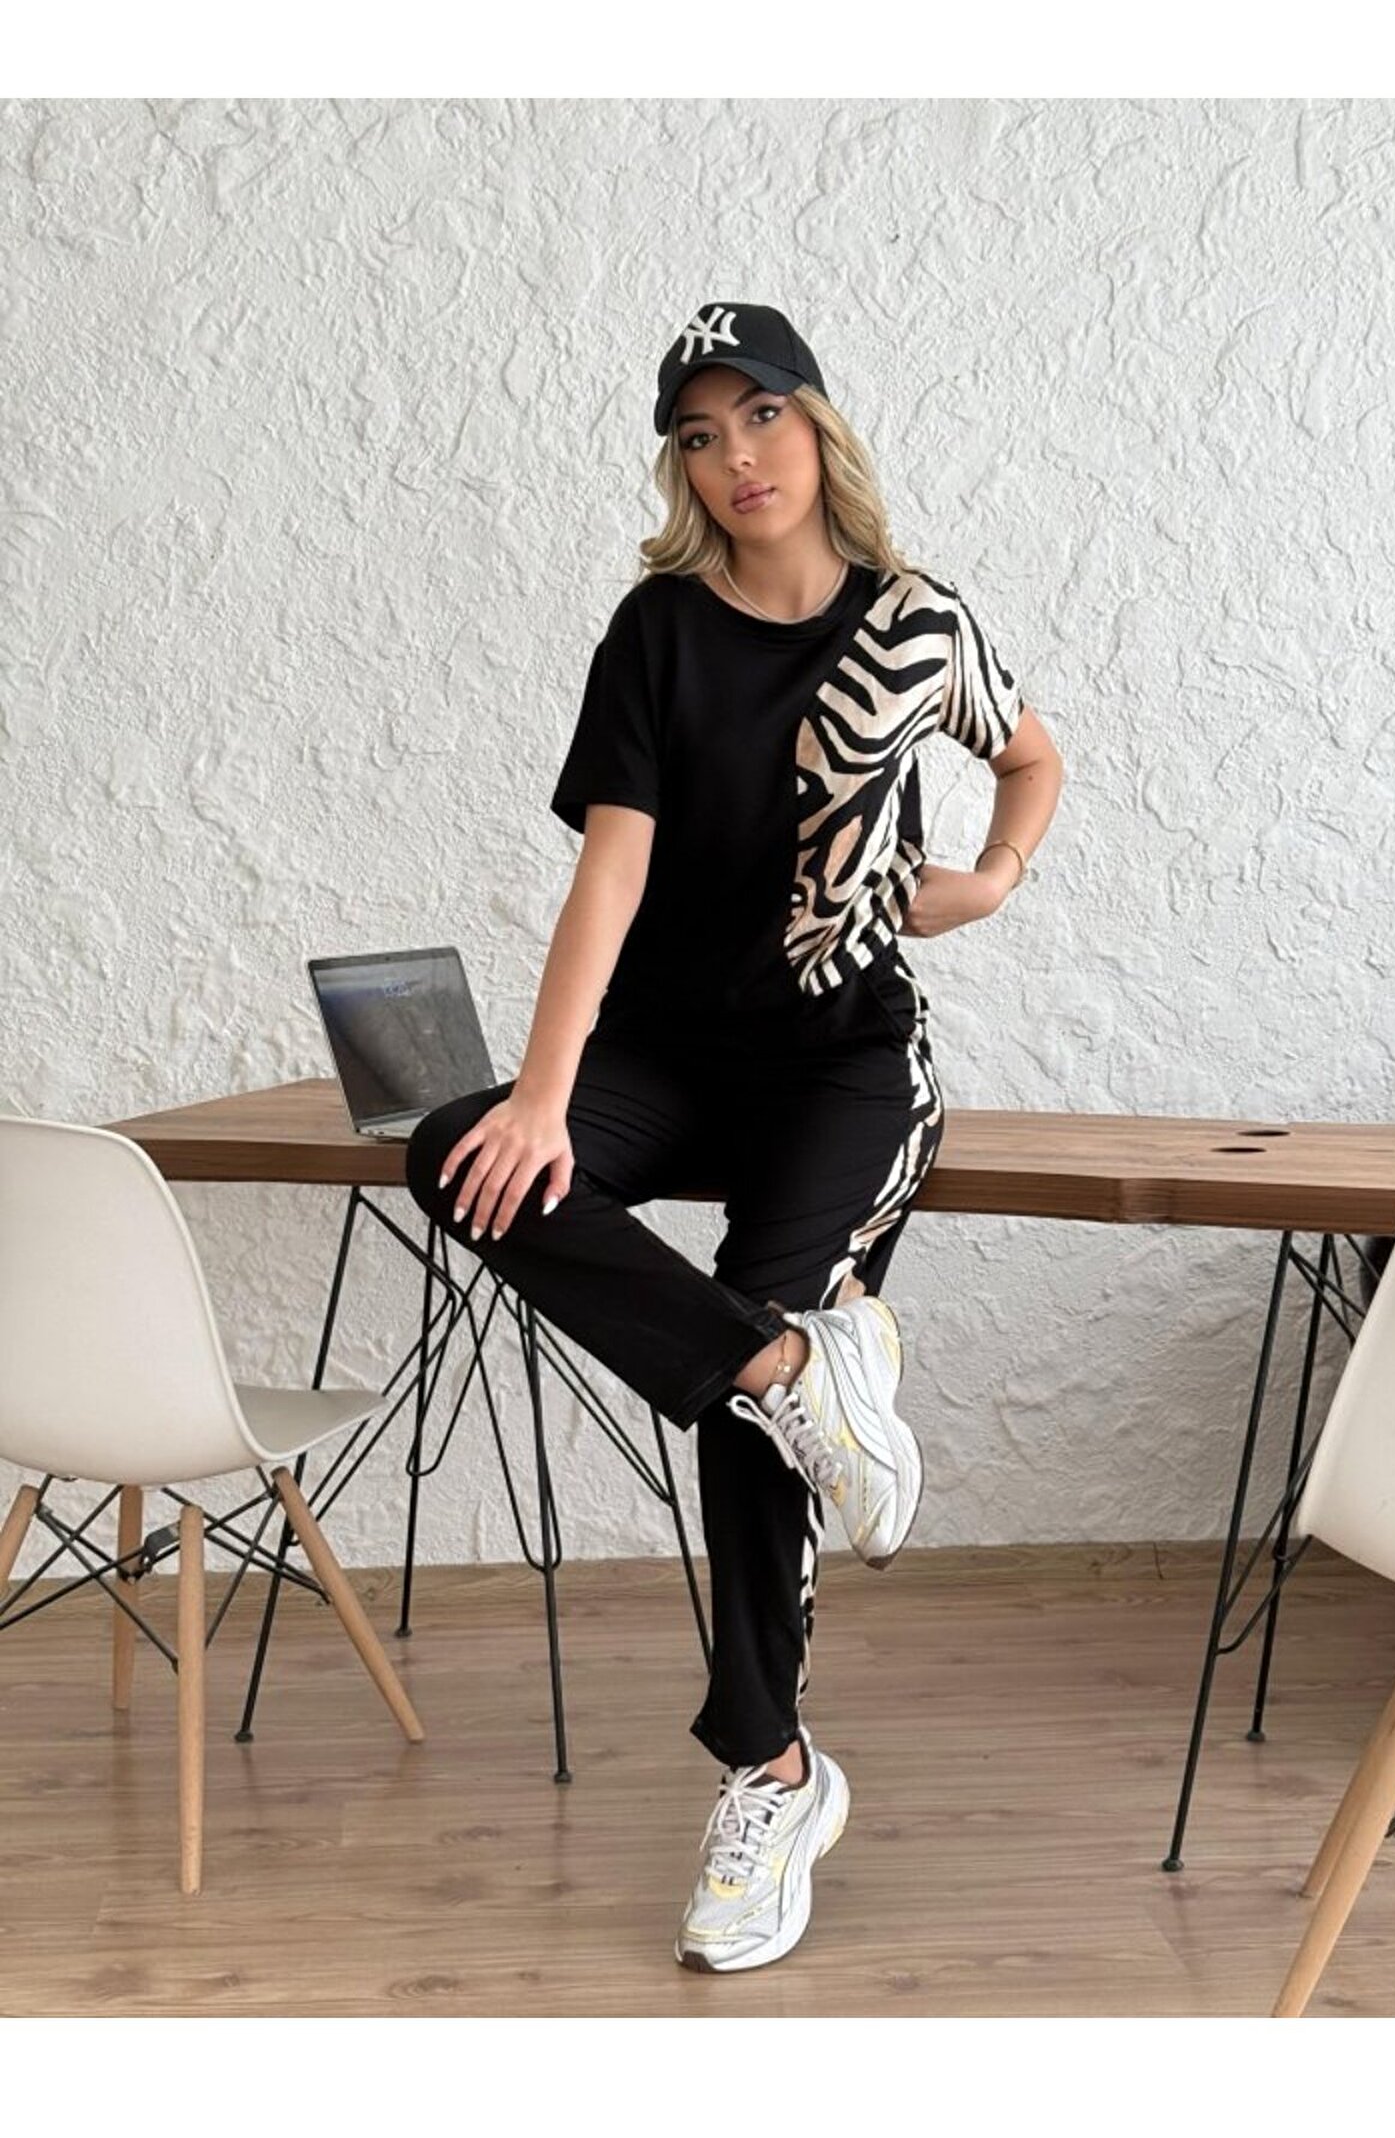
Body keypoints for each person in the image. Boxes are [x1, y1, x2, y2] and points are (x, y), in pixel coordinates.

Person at [405, 300, 1064, 1973]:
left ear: (817, 427)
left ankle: (769, 1772)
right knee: (462, 1154)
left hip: (843, 1062)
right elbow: (611, 873)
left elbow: (1033, 754)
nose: (735, 457)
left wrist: (990, 879)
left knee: (752, 1352)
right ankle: (790, 1375)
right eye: (700, 435)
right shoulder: (658, 633)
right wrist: (541, 1095)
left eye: (760, 416)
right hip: (664, 1053)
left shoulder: (917, 623)